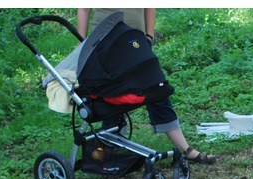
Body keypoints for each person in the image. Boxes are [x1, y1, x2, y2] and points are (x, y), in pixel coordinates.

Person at [77, 8, 217, 164]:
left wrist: (149, 36)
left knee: (155, 88)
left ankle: (186, 149)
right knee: (113, 94)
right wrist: (82, 44)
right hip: (106, 41)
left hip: (135, 41)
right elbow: (83, 8)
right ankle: (112, 149)